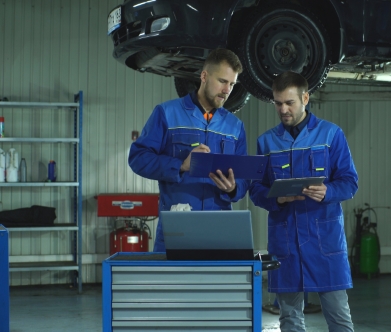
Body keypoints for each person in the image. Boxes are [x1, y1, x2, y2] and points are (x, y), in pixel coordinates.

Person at [249, 70, 358, 331]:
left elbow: (350, 182)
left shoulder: (331, 135)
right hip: (285, 244)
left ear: (305, 98)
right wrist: (278, 198)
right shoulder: (266, 142)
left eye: (289, 102)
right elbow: (255, 190)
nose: (283, 109)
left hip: (325, 242)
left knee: (339, 316)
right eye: (278, 103)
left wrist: (327, 192)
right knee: (289, 319)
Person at [128, 48, 249, 252]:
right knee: (174, 285)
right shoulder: (167, 113)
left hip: (219, 231)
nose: (227, 90)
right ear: (204, 76)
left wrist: (233, 188)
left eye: (232, 84)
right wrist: (180, 165)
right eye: (222, 81)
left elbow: (244, 179)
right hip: (177, 227)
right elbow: (138, 158)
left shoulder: (235, 127)